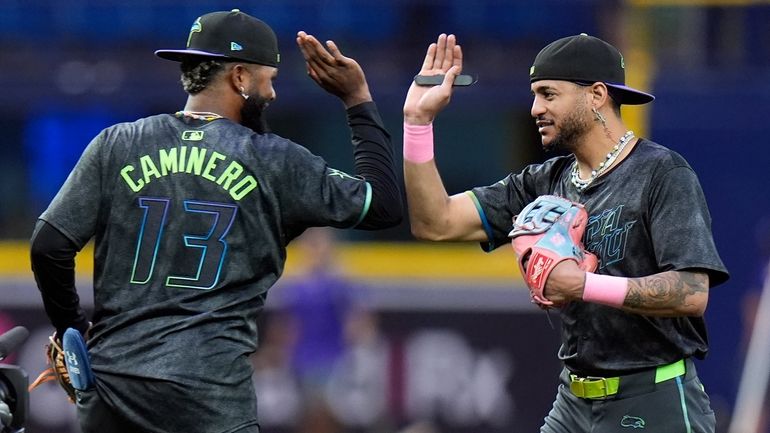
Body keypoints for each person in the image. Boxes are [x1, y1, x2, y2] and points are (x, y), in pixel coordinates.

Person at [28, 9, 402, 433]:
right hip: (209, 395)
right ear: (240, 77)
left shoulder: (117, 143)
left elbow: (49, 247)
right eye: (269, 79)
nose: (273, 93)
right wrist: (357, 101)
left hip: (114, 388)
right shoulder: (274, 160)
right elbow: (384, 206)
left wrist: (74, 330)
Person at [401, 33, 728, 432]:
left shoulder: (662, 173)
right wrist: (417, 124)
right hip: (573, 403)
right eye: (535, 94)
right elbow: (436, 222)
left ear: (596, 95)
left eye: (548, 94)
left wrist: (583, 285)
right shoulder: (546, 180)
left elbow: (692, 292)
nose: (535, 107)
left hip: (653, 397)